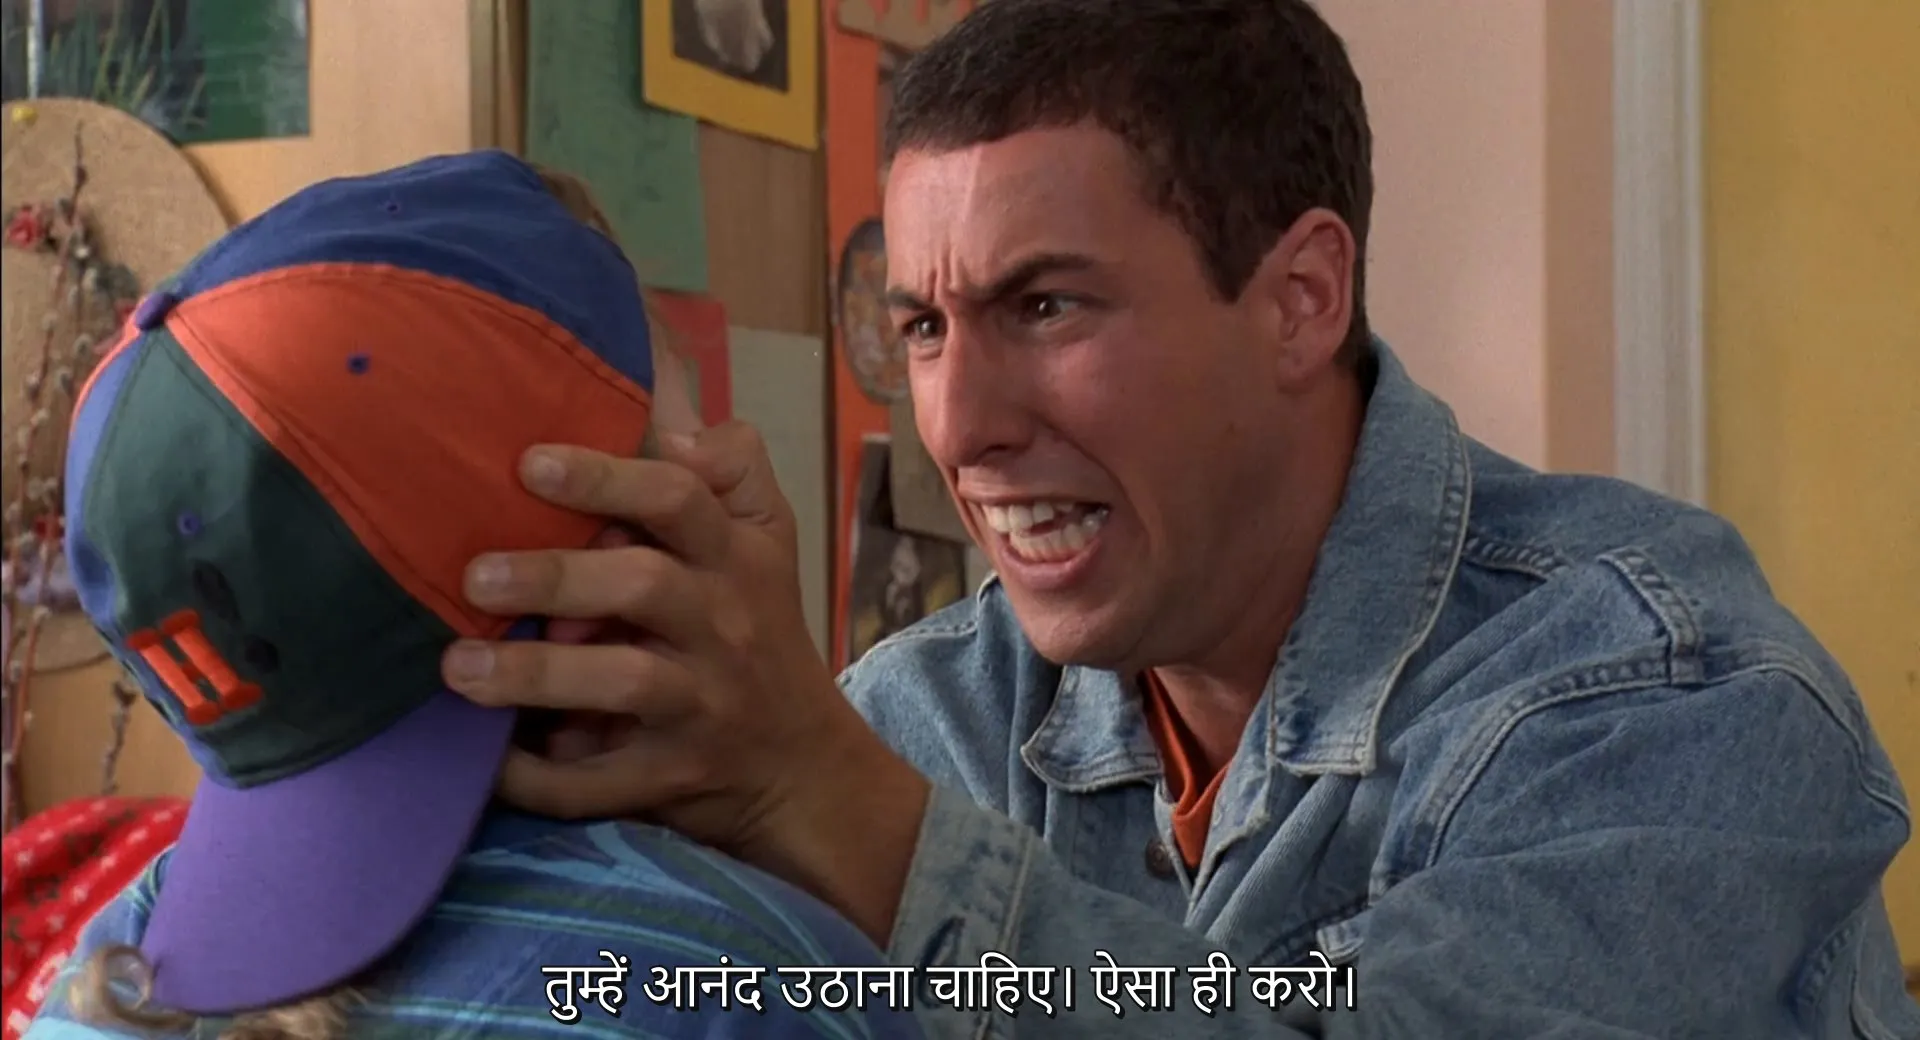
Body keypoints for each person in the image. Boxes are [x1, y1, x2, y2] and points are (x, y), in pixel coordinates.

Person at [434, 2, 1920, 1037]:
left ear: (1301, 300)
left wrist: (831, 806)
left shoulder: (1663, 687)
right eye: (926, 328)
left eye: (1045, 305)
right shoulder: (927, 714)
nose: (959, 426)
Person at [24, 151, 925, 1040]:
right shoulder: (754, 986)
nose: (733, 454)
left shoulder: (105, 980)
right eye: (696, 437)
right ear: (615, 576)